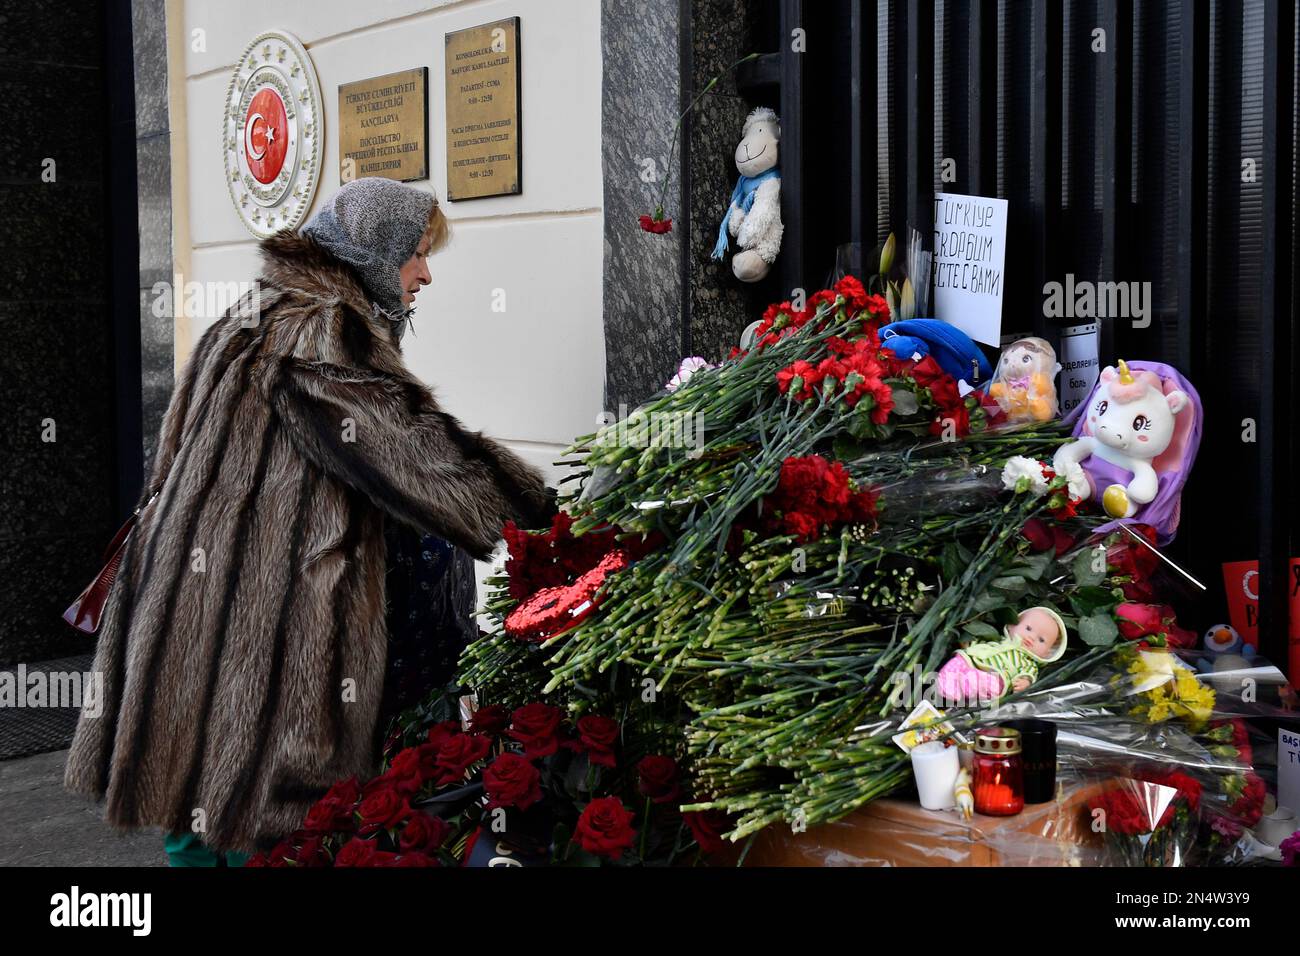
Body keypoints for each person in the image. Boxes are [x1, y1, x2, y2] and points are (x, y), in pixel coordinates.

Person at [64, 178, 556, 864]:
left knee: (205, 814)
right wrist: (536, 513)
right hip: (258, 628)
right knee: (257, 821)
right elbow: (409, 449)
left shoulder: (256, 311)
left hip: (198, 609)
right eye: (414, 254)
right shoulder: (319, 327)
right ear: (374, 253)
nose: (425, 273)